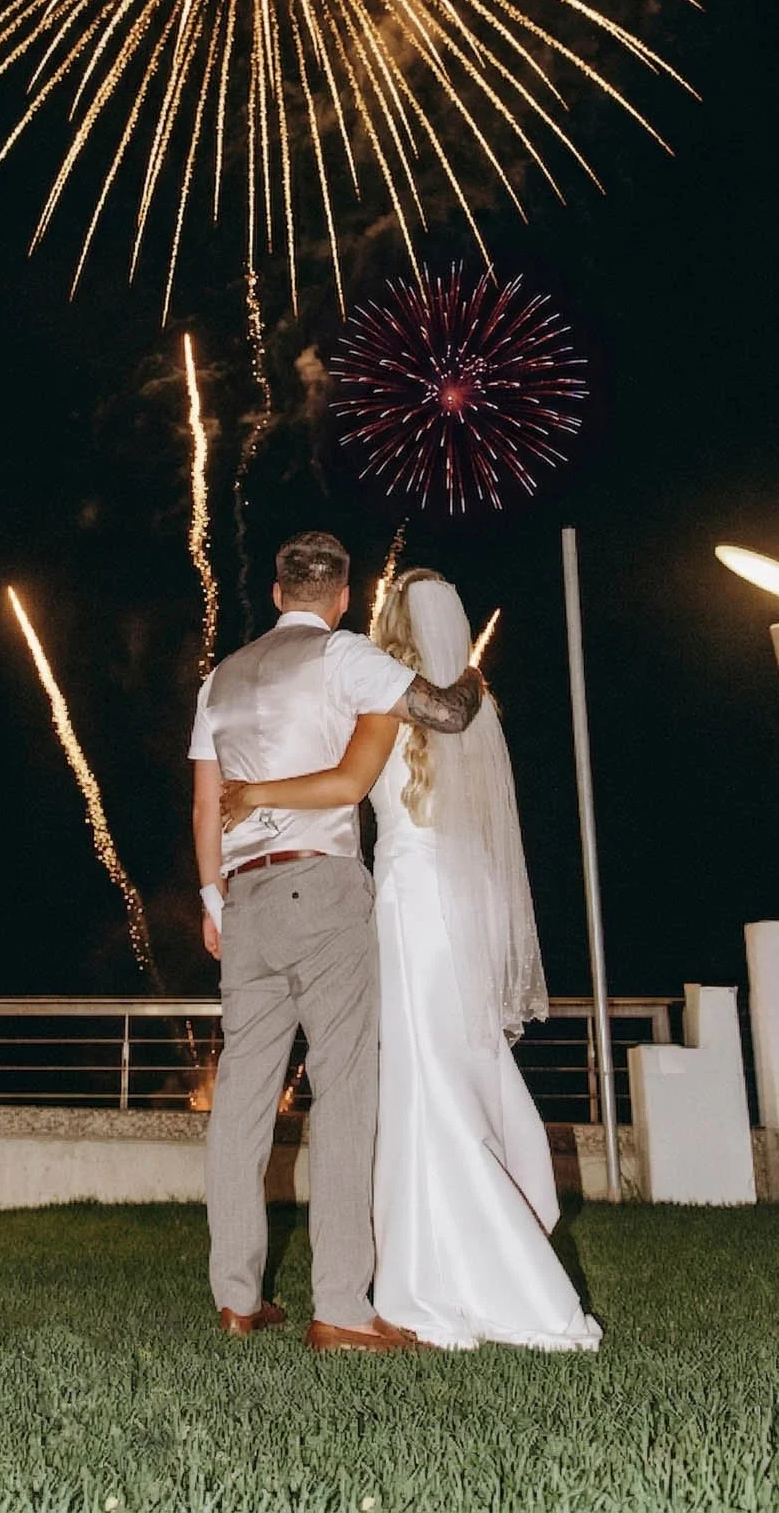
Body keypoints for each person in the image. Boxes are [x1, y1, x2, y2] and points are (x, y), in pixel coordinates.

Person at [221, 567, 602, 1353]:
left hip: (405, 898)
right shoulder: (473, 701)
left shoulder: (382, 701)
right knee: (452, 1067)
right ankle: (442, 1257)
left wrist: (256, 794)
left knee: (409, 1078)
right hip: (466, 897)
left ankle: (432, 1271)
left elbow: (347, 783)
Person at [189, 534, 486, 1352]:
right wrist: (471, 673)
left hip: (244, 898)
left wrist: (215, 901)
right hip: (319, 888)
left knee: (242, 1106)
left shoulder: (222, 676)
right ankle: (341, 1307)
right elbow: (449, 714)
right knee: (345, 1094)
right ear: (341, 597)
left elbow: (204, 803)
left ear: (277, 591)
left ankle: (236, 1299)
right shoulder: (347, 657)